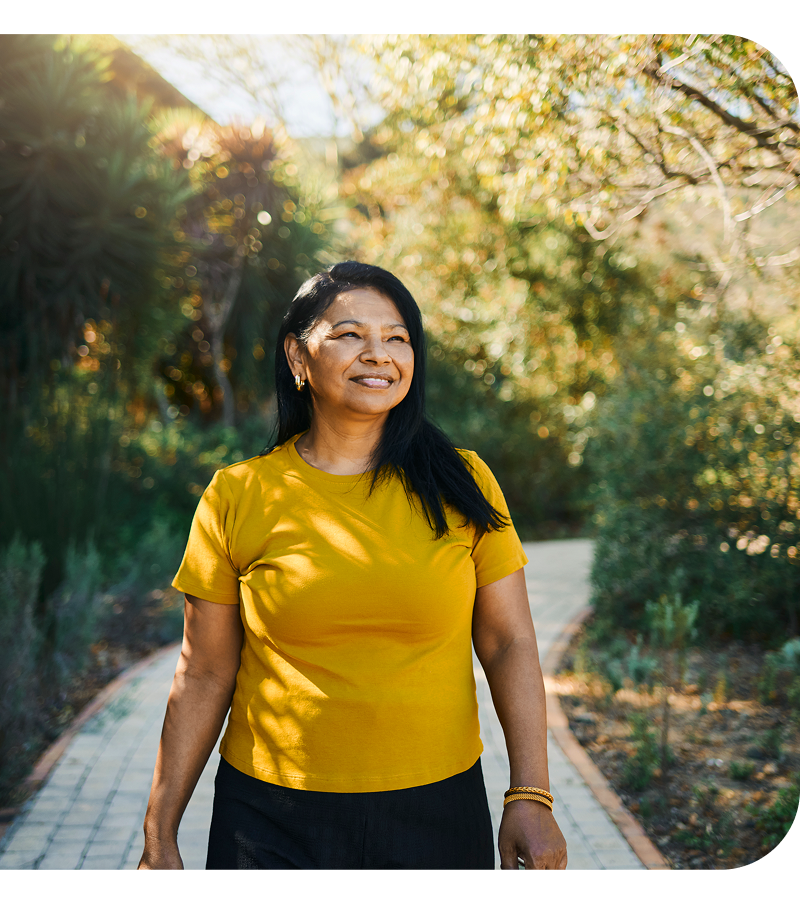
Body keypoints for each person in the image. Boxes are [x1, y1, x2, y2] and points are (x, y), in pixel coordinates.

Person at [138, 261, 568, 870]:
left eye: (397, 338)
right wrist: (161, 832)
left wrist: (531, 794)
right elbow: (203, 671)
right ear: (297, 356)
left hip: (437, 811)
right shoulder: (238, 495)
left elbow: (509, 642)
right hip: (268, 818)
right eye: (349, 335)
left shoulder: (464, 483)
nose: (379, 354)